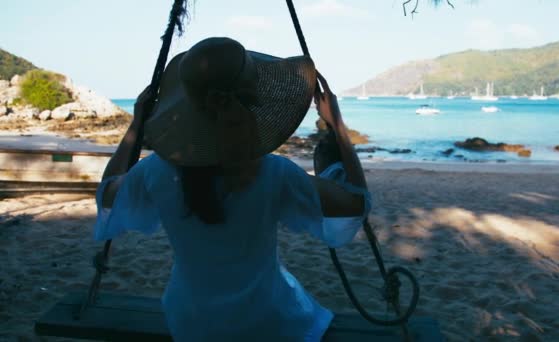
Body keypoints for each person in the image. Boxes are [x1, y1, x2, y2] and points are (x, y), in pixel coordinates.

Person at [94, 37, 371, 341]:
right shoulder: (275, 173)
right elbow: (357, 203)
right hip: (266, 321)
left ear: (187, 105)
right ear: (253, 102)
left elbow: (107, 193)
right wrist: (338, 126)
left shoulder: (154, 171)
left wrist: (136, 126)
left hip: (192, 321)